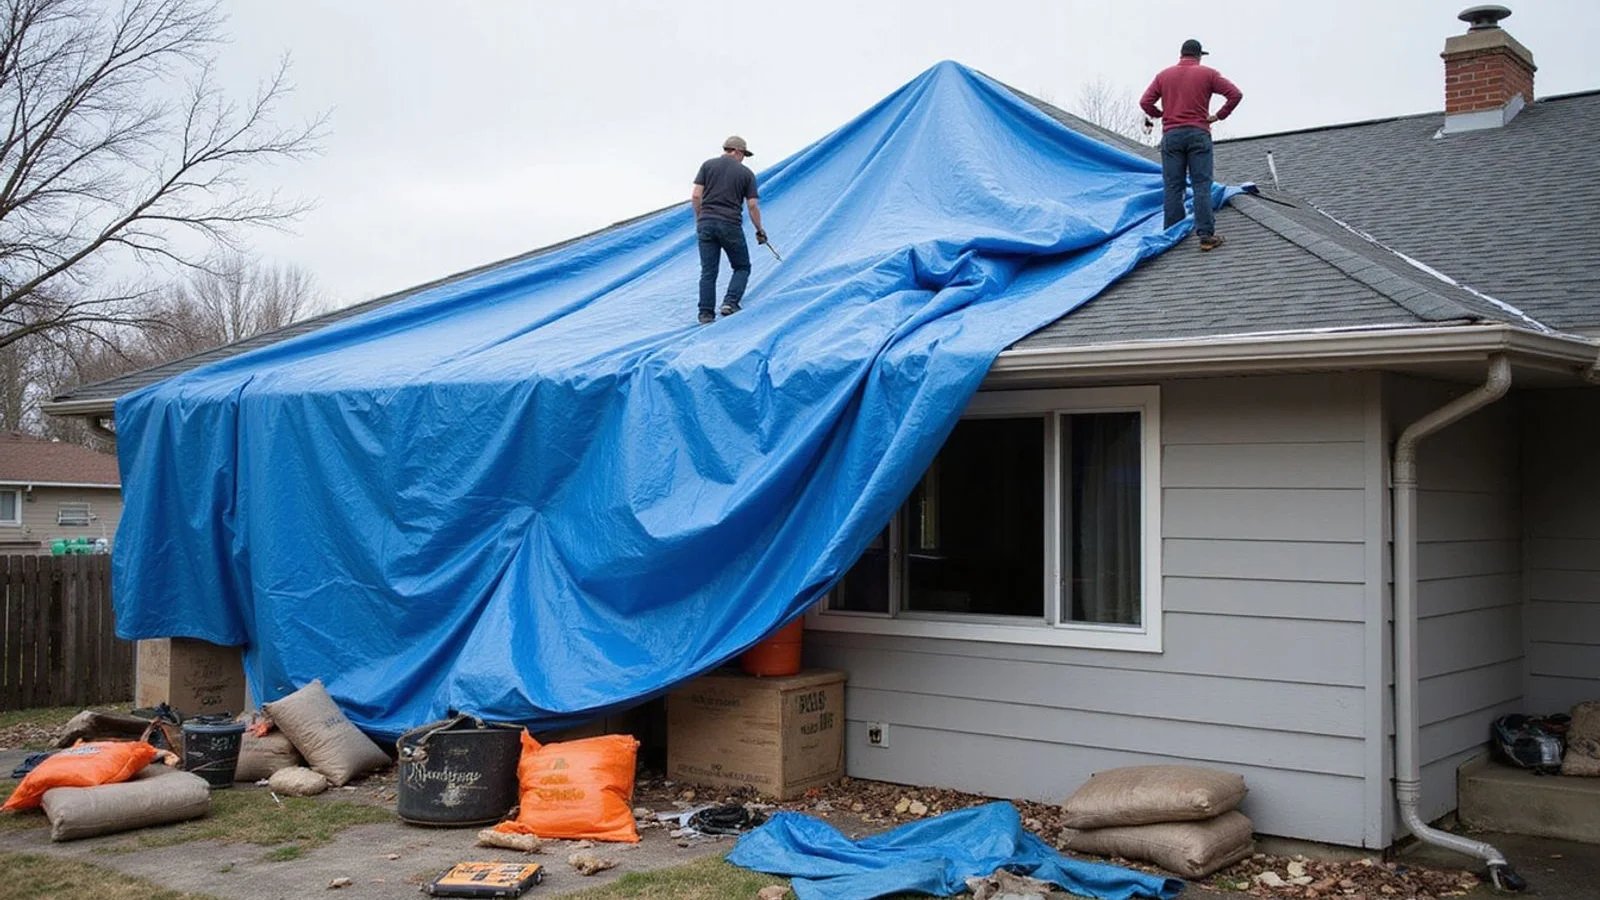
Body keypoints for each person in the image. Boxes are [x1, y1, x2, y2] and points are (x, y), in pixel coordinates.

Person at [1140, 39, 1243, 251]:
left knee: (1173, 185)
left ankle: (1173, 234)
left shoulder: (1164, 76)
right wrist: (1218, 116)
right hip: (1198, 133)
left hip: (1172, 135)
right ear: (1198, 56)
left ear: (1181, 55)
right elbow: (1235, 94)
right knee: (1201, 185)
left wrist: (1161, 114)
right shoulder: (1208, 74)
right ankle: (1206, 236)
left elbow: (1145, 102)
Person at [692, 136, 767, 324]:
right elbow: (752, 206)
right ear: (737, 151)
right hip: (730, 224)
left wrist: (700, 219)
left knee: (708, 271)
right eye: (743, 155)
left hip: (706, 223)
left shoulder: (707, 166)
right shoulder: (746, 174)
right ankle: (730, 303)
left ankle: (706, 314)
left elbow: (695, 196)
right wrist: (759, 230)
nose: (743, 159)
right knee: (742, 266)